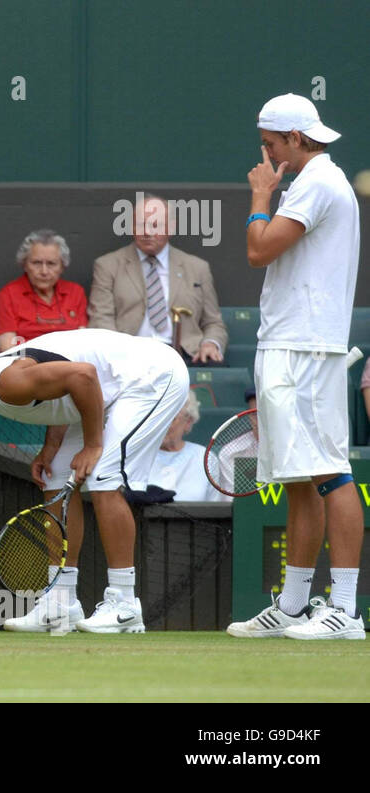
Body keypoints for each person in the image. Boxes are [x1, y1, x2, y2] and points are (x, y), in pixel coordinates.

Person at [0, 328, 190, 633]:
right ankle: (61, 604)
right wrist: (51, 447)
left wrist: (93, 445)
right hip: (109, 388)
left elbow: (83, 376)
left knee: (103, 474)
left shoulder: (6, 382)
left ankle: (125, 605)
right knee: (56, 475)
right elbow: (60, 395)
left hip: (151, 375)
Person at [227, 93, 363, 640]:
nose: (266, 155)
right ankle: (293, 604)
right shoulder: (313, 182)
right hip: (288, 342)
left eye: (271, 144)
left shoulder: (320, 183)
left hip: (306, 346)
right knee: (302, 480)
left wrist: (261, 196)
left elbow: (259, 249)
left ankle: (348, 611)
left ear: (298, 140)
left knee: (330, 472)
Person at [90, 194, 228, 365]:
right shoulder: (108, 266)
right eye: (141, 225)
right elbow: (101, 319)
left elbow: (213, 322)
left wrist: (210, 343)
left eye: (155, 225)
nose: (147, 232)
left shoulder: (197, 268)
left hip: (185, 355)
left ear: (171, 227)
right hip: (128, 355)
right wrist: (118, 352)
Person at [0, 229, 88, 352]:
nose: (44, 271)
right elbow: (7, 349)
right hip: (27, 364)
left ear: (62, 266)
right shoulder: (8, 295)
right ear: (24, 264)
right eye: (36, 263)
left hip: (71, 362)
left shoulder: (75, 292)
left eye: (51, 264)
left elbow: (84, 343)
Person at [147, 395, 227, 502]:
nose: (161, 424)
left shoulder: (205, 459)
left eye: (171, 418)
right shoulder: (137, 457)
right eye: (158, 417)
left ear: (188, 422)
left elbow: (217, 509)